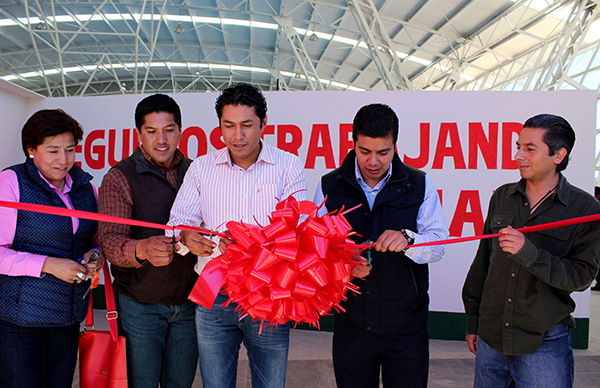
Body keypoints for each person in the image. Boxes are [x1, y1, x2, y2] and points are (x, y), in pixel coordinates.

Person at [167, 83, 307, 388]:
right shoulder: (202, 168)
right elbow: (176, 224)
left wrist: (251, 241)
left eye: (247, 125)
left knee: (270, 384)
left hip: (269, 295)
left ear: (264, 123)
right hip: (214, 297)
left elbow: (299, 230)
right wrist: (186, 238)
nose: (237, 136)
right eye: (228, 126)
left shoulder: (288, 166)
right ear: (219, 126)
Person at [313, 103, 449, 388]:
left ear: (395, 146)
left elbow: (438, 244)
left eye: (383, 152)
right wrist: (342, 262)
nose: (373, 161)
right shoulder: (329, 186)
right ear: (353, 143)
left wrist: (409, 239)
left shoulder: (420, 184)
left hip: (406, 327)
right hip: (352, 323)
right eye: (364, 151)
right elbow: (314, 247)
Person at [462, 114, 600, 387]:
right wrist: (473, 321)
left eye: (529, 148)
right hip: (491, 339)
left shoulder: (585, 209)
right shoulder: (502, 196)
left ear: (558, 155)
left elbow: (581, 277)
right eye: (518, 146)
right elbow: (483, 263)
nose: (518, 155)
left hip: (545, 342)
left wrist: (529, 253)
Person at [98, 94, 198, 388]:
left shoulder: (198, 171)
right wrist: (141, 249)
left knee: (179, 384)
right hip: (139, 306)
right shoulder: (119, 177)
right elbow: (110, 241)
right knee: (140, 383)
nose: (161, 139)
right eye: (151, 131)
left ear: (180, 130)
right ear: (139, 134)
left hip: (191, 304)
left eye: (168, 129)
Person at [0, 109, 103, 388]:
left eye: (70, 150)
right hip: (19, 320)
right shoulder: (11, 183)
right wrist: (48, 264)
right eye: (53, 150)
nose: (64, 160)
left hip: (66, 318)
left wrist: (95, 257)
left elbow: (93, 242)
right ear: (31, 150)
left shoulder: (85, 188)